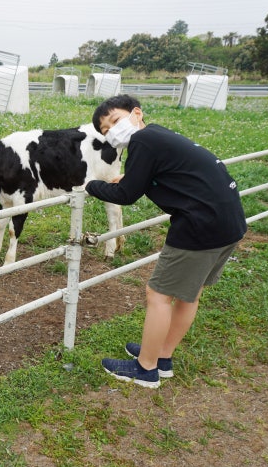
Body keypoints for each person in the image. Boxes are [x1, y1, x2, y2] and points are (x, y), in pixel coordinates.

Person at [85, 94, 247, 389]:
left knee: (158, 295)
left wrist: (91, 185)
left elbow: (126, 196)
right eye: (106, 130)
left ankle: (146, 369)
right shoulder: (157, 136)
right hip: (229, 219)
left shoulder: (142, 143)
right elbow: (161, 175)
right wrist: (130, 178)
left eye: (116, 120)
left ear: (136, 112)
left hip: (200, 226)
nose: (113, 131)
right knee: (189, 293)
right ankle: (161, 356)